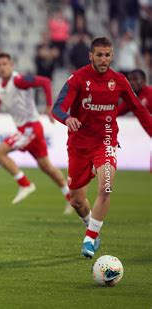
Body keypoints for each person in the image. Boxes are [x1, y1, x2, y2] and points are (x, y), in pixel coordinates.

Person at [52, 37, 152, 258]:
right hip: (79, 145)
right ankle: (90, 224)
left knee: (106, 187)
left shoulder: (119, 81)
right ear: (91, 56)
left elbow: (140, 110)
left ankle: (90, 238)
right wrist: (67, 118)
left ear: (112, 56)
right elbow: (58, 107)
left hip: (105, 140)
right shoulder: (78, 78)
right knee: (77, 200)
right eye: (99, 55)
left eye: (107, 55)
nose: (103, 59)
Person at [0, 53, 72, 213]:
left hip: (31, 127)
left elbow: (45, 81)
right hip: (27, 129)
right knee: (46, 167)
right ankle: (71, 197)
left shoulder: (19, 80)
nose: (2, 67)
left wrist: (50, 106)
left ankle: (25, 184)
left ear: (11, 65)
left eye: (4, 64)